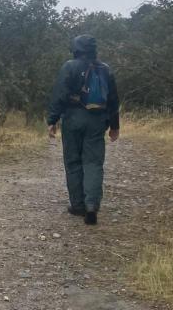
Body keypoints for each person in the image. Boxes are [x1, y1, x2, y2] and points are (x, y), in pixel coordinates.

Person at [47, 35, 120, 225]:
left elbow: (60, 94)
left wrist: (52, 120)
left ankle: (78, 205)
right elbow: (113, 100)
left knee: (73, 162)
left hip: (73, 119)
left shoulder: (69, 67)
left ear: (76, 49)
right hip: (97, 121)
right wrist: (115, 126)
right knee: (94, 163)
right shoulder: (105, 69)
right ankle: (91, 206)